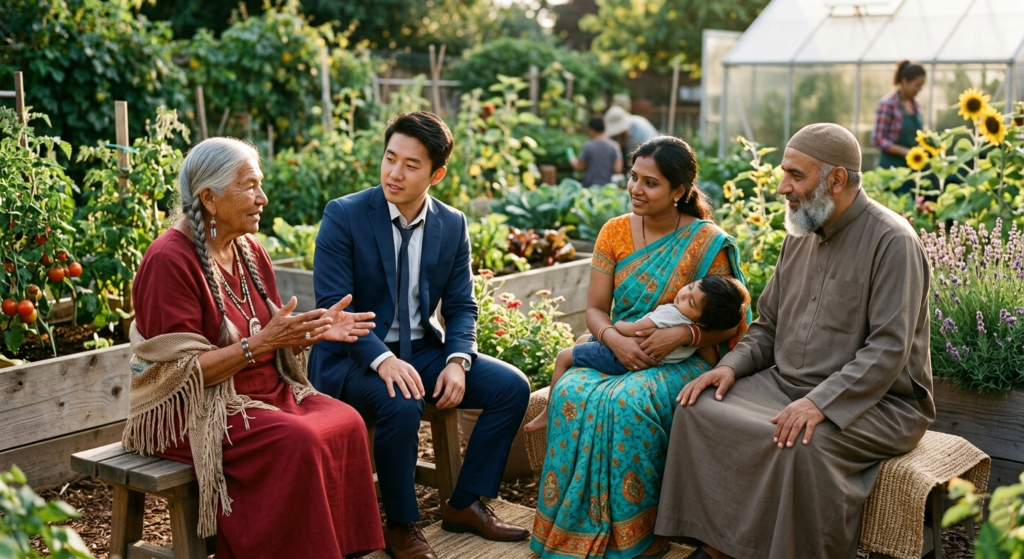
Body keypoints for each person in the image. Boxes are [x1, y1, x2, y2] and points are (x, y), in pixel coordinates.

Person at [656, 123, 935, 559]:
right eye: (783, 173)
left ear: (837, 179)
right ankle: (718, 547)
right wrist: (729, 367)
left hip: (877, 403)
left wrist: (821, 403)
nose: (783, 186)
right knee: (699, 410)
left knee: (799, 444)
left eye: (795, 175)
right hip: (786, 385)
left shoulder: (892, 240)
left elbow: (888, 350)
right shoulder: (800, 233)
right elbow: (767, 325)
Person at [125, 137, 385, 558]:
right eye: (250, 186)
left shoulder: (249, 250)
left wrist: (312, 330)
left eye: (259, 185)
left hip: (262, 396)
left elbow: (273, 336)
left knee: (347, 421)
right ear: (209, 198)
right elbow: (181, 375)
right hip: (198, 412)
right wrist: (262, 342)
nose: (262, 198)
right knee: (299, 440)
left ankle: (341, 551)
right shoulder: (167, 261)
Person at [307, 111, 532, 559]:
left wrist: (457, 360)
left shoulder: (452, 224)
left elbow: (462, 305)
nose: (395, 172)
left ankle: (465, 503)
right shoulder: (345, 215)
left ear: (437, 173)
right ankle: (402, 525)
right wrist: (383, 360)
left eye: (411, 165)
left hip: (422, 351)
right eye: (390, 158)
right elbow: (337, 305)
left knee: (512, 386)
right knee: (401, 399)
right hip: (351, 358)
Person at [530, 136, 749, 559]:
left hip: (681, 361)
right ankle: (570, 527)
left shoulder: (707, 243)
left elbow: (731, 324)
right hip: (618, 347)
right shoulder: (614, 231)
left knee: (628, 402)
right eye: (634, 177)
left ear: (679, 191)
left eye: (651, 183)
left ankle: (640, 534)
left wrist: (684, 334)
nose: (636, 189)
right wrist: (614, 339)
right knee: (574, 392)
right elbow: (595, 311)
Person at [524, 274, 748, 432]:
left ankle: (548, 411)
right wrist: (712, 370)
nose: (683, 295)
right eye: (690, 287)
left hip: (621, 356)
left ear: (702, 319)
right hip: (638, 356)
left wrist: (617, 326)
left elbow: (633, 329)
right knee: (582, 341)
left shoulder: (670, 317)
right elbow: (709, 356)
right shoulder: (696, 328)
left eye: (691, 301)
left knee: (564, 356)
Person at [873, 60, 927, 172]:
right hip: (891, 167)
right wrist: (906, 152)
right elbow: (878, 139)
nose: (919, 89)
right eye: (917, 85)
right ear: (904, 81)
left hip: (913, 167)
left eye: (921, 86)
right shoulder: (888, 104)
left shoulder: (916, 104)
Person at [570, 116, 623, 187]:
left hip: (590, 185)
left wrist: (570, 156)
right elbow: (618, 169)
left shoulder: (588, 146)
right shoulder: (614, 146)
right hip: (607, 187)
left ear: (592, 130)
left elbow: (579, 167)